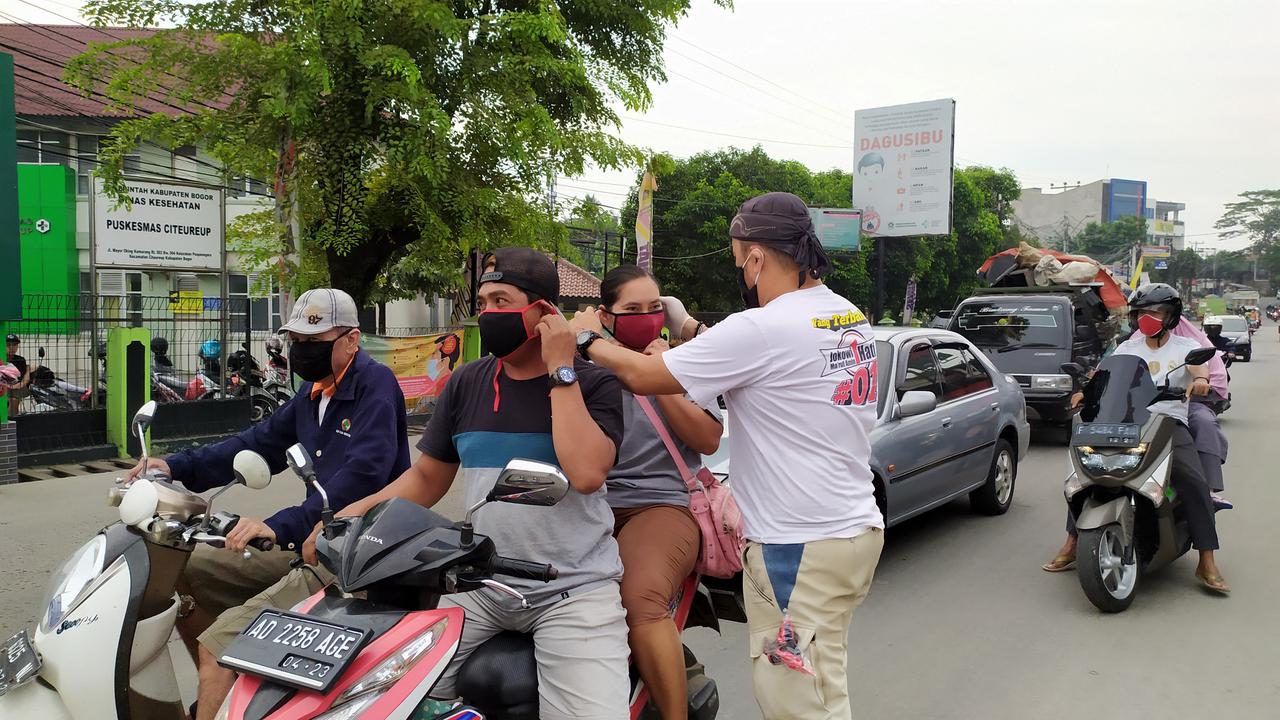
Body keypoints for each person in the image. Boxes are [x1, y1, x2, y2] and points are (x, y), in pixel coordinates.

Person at [570, 192, 884, 720]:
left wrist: (585, 340)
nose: (740, 271)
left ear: (756, 257)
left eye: (739, 260)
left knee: (795, 704)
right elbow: (756, 358)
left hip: (795, 546)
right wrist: (688, 324)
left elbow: (647, 375)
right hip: (854, 532)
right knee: (825, 687)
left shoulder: (760, 329)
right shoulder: (843, 315)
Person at [306, 247, 630, 719]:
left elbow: (585, 473)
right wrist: (348, 518)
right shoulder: (468, 382)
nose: (488, 313)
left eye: (502, 301)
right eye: (483, 302)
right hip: (482, 587)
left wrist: (561, 367)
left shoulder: (594, 383)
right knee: (380, 696)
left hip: (575, 592)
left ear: (542, 312)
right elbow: (425, 478)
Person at [123, 288, 411, 720]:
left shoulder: (375, 386)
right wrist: (173, 465)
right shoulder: (312, 393)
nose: (303, 351)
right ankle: (232, 687)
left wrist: (278, 526)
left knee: (216, 649)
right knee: (181, 568)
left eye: (315, 342)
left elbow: (361, 479)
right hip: (311, 545)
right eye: (297, 341)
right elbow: (255, 445)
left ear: (351, 340)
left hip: (353, 556)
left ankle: (223, 670)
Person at [595, 265, 723, 719]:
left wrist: (659, 373)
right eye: (632, 310)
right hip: (591, 506)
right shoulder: (583, 367)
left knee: (640, 599)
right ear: (604, 316)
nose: (646, 317)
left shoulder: (681, 362)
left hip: (663, 504)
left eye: (654, 308)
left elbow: (708, 440)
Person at [1042, 283, 1229, 594]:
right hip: (1124, 422)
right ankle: (1073, 541)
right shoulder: (1128, 347)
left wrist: (1200, 380)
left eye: (1155, 312)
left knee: (1194, 482)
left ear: (1170, 316)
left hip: (1168, 423)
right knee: (1085, 476)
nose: (1147, 318)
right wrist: (1085, 392)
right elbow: (1103, 376)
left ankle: (1206, 559)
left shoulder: (1184, 347)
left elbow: (1199, 369)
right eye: (1142, 312)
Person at [4, 334, 30, 416]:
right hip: (4, 387)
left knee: (14, 399)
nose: (12, 348)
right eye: (8, 345)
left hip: (16, 388)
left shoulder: (20, 360)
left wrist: (21, 384)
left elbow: (23, 378)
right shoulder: (1, 359)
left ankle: (11, 421)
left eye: (15, 345)